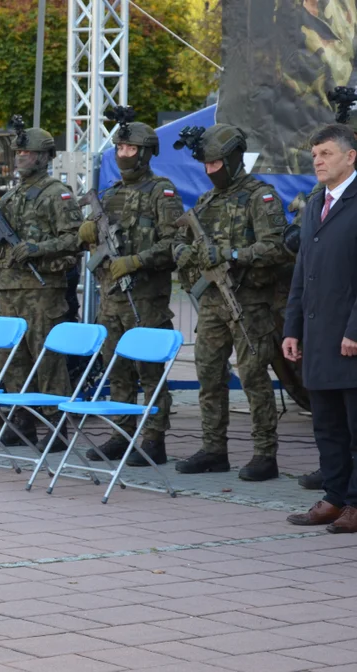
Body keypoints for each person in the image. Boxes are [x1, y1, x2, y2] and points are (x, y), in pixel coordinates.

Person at [172, 124, 287, 481]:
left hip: (249, 303)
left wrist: (232, 254)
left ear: (234, 159)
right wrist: (188, 253)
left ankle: (265, 454)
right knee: (208, 374)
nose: (211, 171)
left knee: (253, 378)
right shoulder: (207, 201)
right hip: (211, 304)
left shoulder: (260, 197)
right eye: (206, 165)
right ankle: (213, 449)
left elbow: (278, 247)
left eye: (216, 164)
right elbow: (177, 239)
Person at [77, 115, 181, 466]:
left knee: (149, 371)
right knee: (116, 368)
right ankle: (121, 434)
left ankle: (154, 439)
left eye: (130, 147)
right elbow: (94, 245)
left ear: (145, 153)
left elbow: (175, 245)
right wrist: (88, 234)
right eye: (120, 147)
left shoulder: (161, 192)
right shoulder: (109, 194)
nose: (123, 153)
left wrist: (136, 262)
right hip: (111, 299)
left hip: (145, 299)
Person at [0, 123, 82, 450]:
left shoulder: (58, 194)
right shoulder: (11, 194)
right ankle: (21, 421)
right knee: (11, 359)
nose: (21, 157)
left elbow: (76, 238)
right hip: (10, 289)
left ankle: (55, 426)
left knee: (47, 360)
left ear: (43, 157)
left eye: (27, 153)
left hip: (43, 292)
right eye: (20, 152)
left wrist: (38, 250)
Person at [284, 123, 357, 533]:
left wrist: (355, 329)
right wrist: (291, 327)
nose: (318, 161)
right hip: (317, 334)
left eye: (326, 153)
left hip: (350, 337)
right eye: (314, 154)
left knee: (355, 427)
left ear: (350, 157)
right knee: (326, 423)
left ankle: (356, 503)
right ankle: (334, 497)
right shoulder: (315, 204)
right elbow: (302, 272)